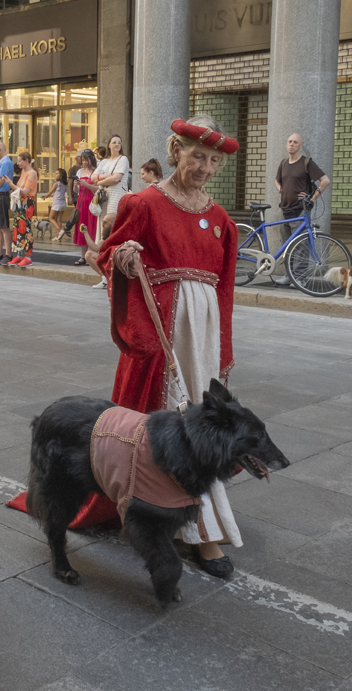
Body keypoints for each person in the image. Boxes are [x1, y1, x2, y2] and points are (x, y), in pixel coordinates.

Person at [98, 114, 243, 577]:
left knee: (201, 420)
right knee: (172, 422)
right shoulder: (143, 203)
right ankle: (193, 528)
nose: (204, 167)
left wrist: (221, 345)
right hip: (160, 333)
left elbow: (224, 290)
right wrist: (123, 257)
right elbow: (108, 254)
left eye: (214, 161)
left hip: (200, 337)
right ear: (176, 151)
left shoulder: (222, 220)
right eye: (197, 156)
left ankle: (193, 519)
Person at [273, 133, 330, 285]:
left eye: (295, 142)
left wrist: (312, 198)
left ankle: (300, 278)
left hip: (300, 209)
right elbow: (277, 181)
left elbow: (325, 180)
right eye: (289, 141)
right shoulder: (284, 163)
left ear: (300, 146)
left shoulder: (306, 162)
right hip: (284, 209)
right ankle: (288, 275)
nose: (291, 144)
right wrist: (282, 190)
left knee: (300, 245)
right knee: (286, 245)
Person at [92, 135, 131, 234]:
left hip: (116, 194)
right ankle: (101, 247)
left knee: (112, 223)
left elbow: (116, 179)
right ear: (109, 145)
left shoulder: (123, 159)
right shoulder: (104, 161)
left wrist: (100, 181)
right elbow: (92, 177)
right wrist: (107, 176)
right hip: (104, 194)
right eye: (114, 142)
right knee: (103, 224)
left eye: (119, 142)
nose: (117, 144)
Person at [72, 150, 99, 269]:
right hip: (81, 202)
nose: (85, 162)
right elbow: (76, 191)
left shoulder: (96, 171)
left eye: (87, 160)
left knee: (91, 227)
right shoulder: (79, 171)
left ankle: (90, 255)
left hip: (92, 201)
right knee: (82, 227)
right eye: (83, 160)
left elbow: (98, 189)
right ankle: (83, 256)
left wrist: (86, 184)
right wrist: (75, 184)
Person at [11, 151, 38, 267]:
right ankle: (20, 254)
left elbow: (25, 190)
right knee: (18, 227)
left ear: (26, 161)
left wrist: (10, 184)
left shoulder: (31, 173)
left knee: (26, 228)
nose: (18, 163)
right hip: (21, 202)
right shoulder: (25, 173)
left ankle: (28, 256)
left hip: (26, 202)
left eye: (20, 161)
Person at [40, 168, 69, 242]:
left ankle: (60, 230)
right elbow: (56, 194)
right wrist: (48, 196)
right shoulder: (64, 185)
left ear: (61, 175)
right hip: (63, 203)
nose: (55, 175)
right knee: (59, 219)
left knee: (51, 218)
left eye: (56, 174)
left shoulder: (56, 184)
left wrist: (46, 196)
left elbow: (50, 192)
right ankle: (58, 236)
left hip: (57, 203)